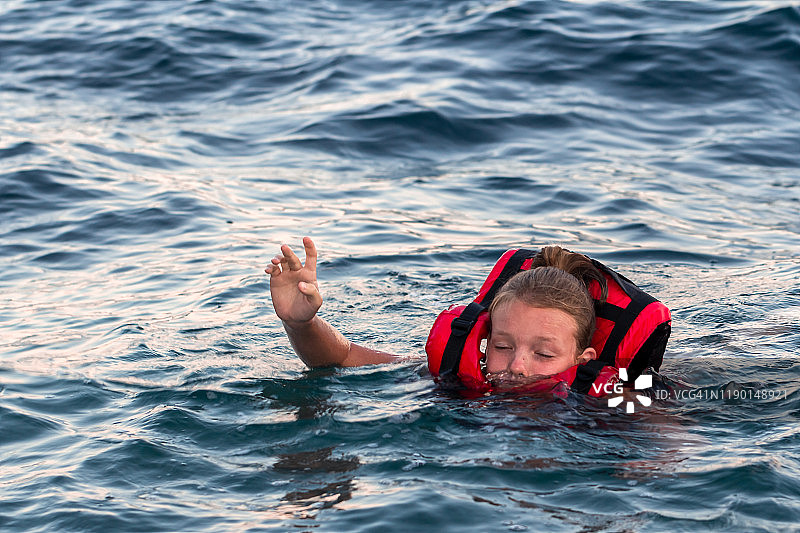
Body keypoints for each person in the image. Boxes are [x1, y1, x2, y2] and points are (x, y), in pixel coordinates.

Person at [265, 237, 609, 385]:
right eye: (502, 347)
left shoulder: (609, 402)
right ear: (485, 342)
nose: (517, 367)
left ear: (583, 359)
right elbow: (342, 357)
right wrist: (301, 323)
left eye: (544, 353)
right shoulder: (454, 375)